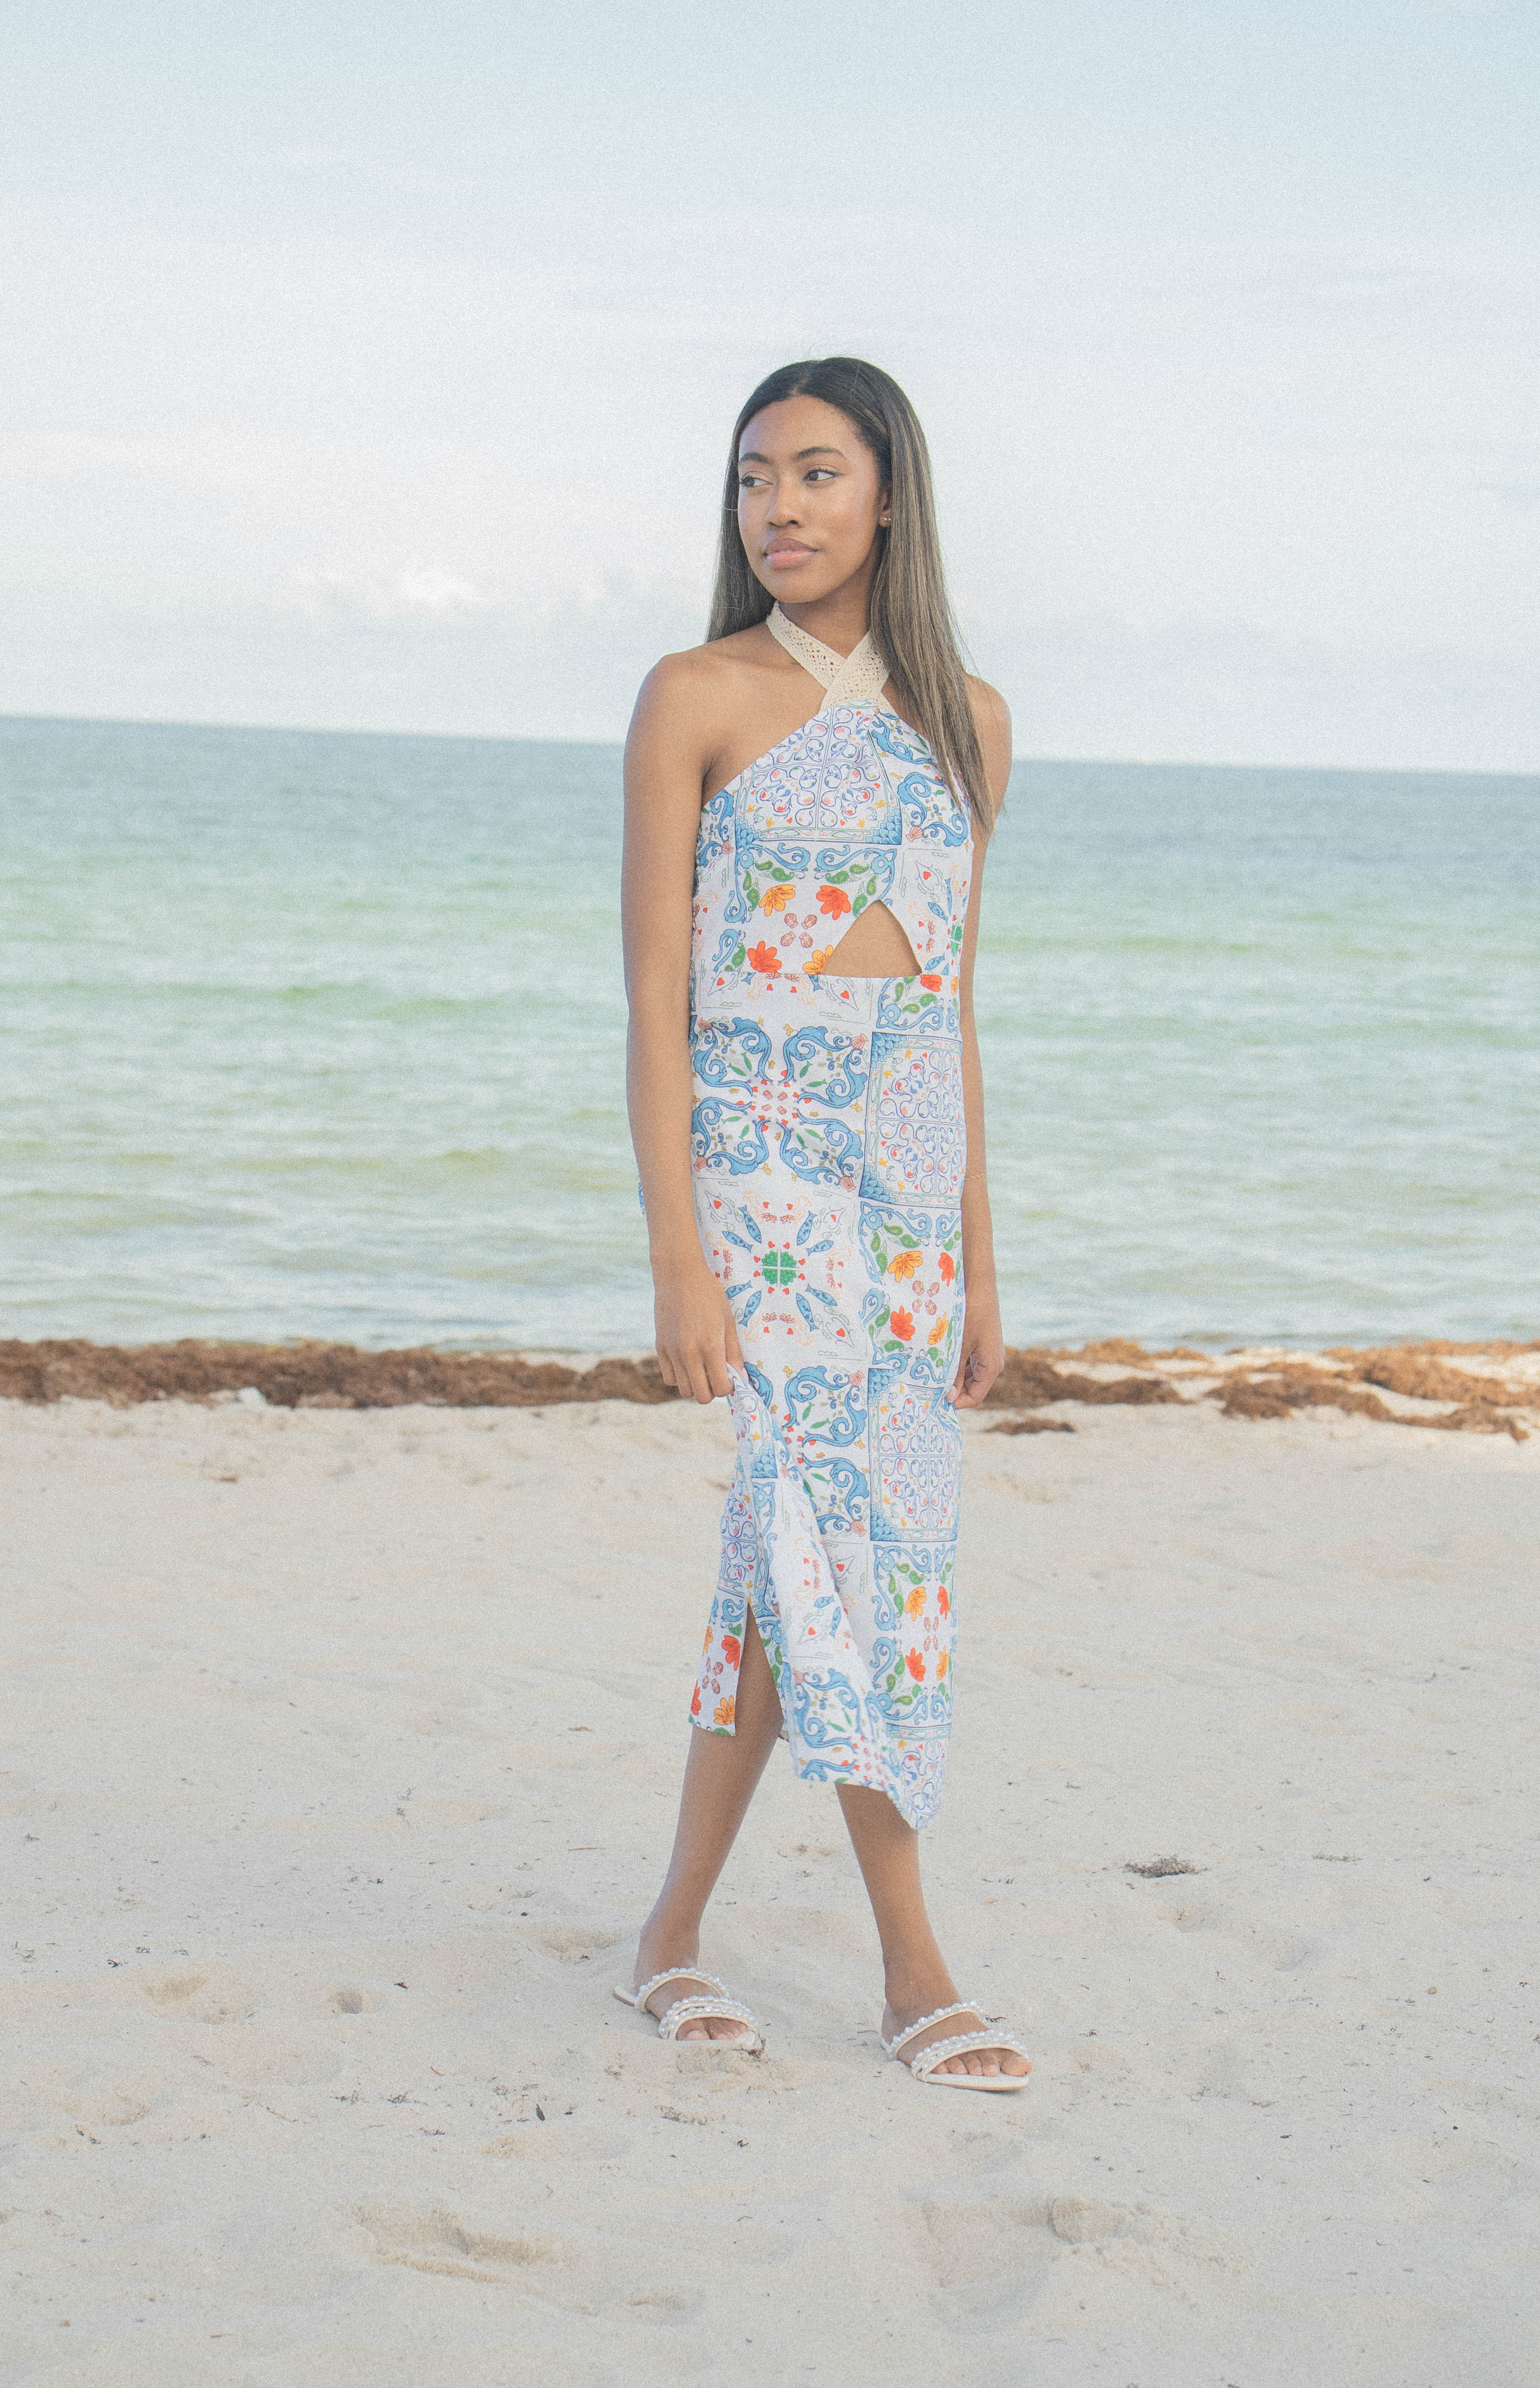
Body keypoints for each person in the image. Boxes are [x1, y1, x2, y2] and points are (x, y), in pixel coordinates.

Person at [618, 358, 1028, 2089]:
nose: (776, 507)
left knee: (853, 1562)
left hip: (907, 1188)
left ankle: (669, 1932)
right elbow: (654, 1001)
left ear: (888, 496)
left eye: (813, 473)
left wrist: (983, 1259)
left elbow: (950, 1005)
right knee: (827, 1541)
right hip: (769, 1180)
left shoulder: (971, 722)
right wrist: (681, 1256)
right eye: (751, 478)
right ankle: (914, 1963)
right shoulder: (697, 694)